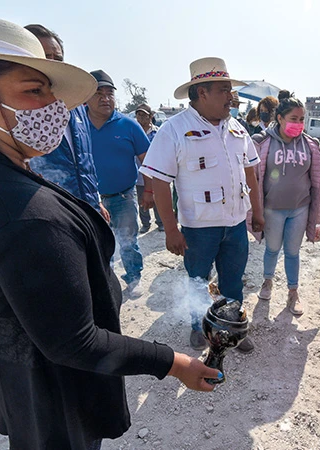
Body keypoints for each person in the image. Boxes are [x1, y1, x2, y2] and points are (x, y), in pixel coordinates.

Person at [0, 16, 219, 449]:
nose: (54, 106)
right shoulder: (21, 214)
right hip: (59, 400)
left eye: (52, 91)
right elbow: (77, 341)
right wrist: (174, 362)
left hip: (21, 386)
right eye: (34, 90)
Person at [141, 57, 264, 351]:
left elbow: (250, 171)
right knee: (197, 280)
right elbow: (160, 183)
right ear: (202, 93)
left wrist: (256, 212)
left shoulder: (236, 128)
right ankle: (199, 326)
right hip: (198, 228)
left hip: (234, 224)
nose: (231, 97)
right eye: (224, 90)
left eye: (230, 90)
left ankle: (232, 328)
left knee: (233, 281)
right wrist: (171, 230)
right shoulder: (173, 130)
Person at [23, 24, 110, 222]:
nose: (52, 64)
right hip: (48, 216)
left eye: (58, 58)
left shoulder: (77, 104)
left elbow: (86, 160)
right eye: (45, 57)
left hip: (88, 209)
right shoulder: (15, 110)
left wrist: (96, 200)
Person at [250, 91, 320, 315]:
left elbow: (317, 181)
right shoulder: (262, 142)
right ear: (279, 118)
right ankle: (268, 282)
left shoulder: (311, 144)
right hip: (272, 210)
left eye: (302, 119)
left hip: (300, 208)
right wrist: (256, 212)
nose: (299, 124)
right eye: (294, 119)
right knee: (272, 249)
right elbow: (253, 178)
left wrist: (316, 216)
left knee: (292, 252)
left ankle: (293, 293)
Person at [88, 70, 151, 297]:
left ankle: (134, 278)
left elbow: (149, 161)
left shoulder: (128, 125)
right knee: (98, 244)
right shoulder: (77, 125)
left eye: (109, 93)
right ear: (86, 96)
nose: (105, 98)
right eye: (98, 93)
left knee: (128, 240)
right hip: (89, 200)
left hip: (123, 196)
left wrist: (149, 191)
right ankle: (106, 281)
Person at [133, 103, 163, 232]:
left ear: (151, 116)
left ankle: (161, 222)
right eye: (138, 115)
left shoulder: (158, 132)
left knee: (158, 198)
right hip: (140, 174)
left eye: (143, 115)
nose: (140, 118)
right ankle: (145, 224)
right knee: (142, 200)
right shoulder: (133, 132)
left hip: (156, 173)